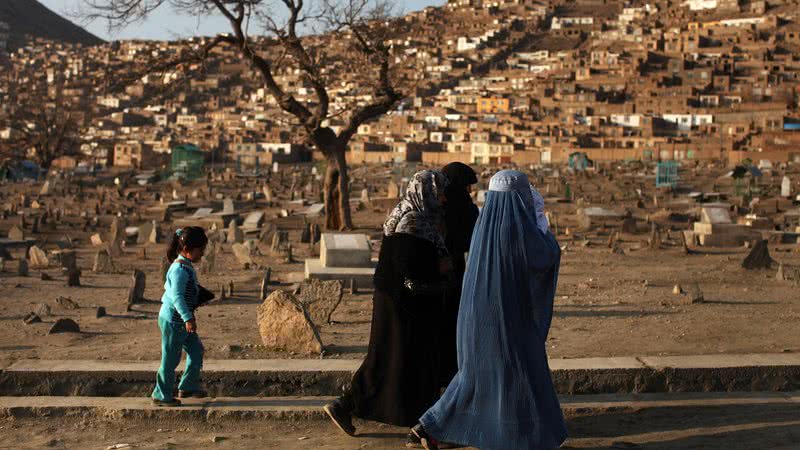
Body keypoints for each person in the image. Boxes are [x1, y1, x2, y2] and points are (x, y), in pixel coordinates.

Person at [411, 170, 567, 450]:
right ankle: (515, 435)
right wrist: (544, 230)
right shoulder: (517, 229)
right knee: (518, 373)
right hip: (508, 319)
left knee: (477, 376)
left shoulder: (485, 225)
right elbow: (546, 255)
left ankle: (430, 427)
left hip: (476, 316)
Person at [324, 170, 451, 442]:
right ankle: (423, 425)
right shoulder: (415, 221)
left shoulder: (401, 212)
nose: (441, 199)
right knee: (398, 358)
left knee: (387, 358)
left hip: (390, 299)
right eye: (438, 193)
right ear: (426, 192)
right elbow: (409, 269)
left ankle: (347, 406)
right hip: (405, 304)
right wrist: (440, 271)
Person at [151, 226, 210, 407]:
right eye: (200, 250)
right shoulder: (178, 270)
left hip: (183, 321)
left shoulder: (186, 266)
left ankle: (187, 386)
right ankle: (161, 395)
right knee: (170, 360)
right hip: (174, 321)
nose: (202, 254)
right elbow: (176, 296)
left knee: (196, 350)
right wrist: (187, 318)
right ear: (187, 249)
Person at [439, 162, 479, 387]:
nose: (470, 192)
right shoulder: (464, 208)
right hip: (453, 271)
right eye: (466, 187)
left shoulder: (436, 206)